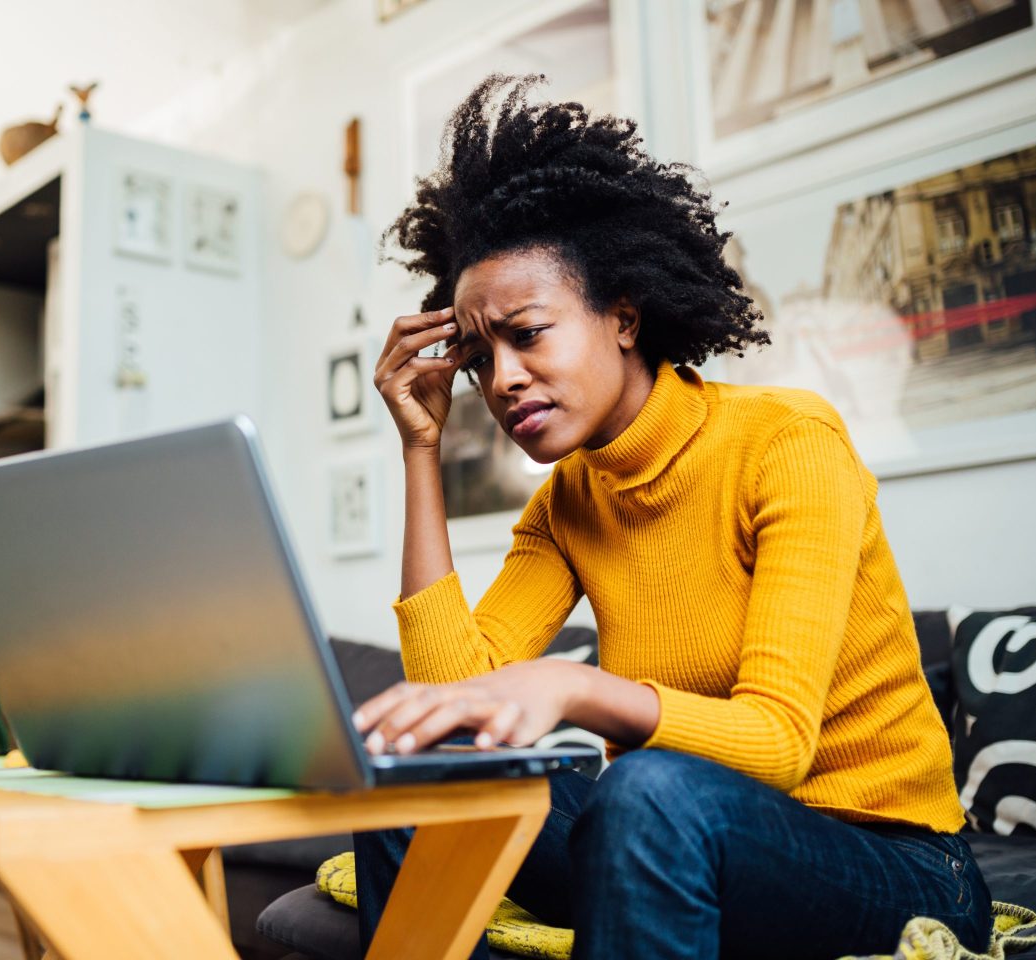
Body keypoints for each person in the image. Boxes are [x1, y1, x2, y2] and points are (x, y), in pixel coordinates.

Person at [350, 74, 992, 960]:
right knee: (418, 775)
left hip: (892, 859)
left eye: (527, 333)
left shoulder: (787, 442)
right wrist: (420, 450)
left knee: (647, 789)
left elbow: (776, 746)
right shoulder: (568, 504)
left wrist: (574, 687)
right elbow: (452, 708)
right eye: (480, 355)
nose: (500, 380)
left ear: (622, 316)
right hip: (676, 834)